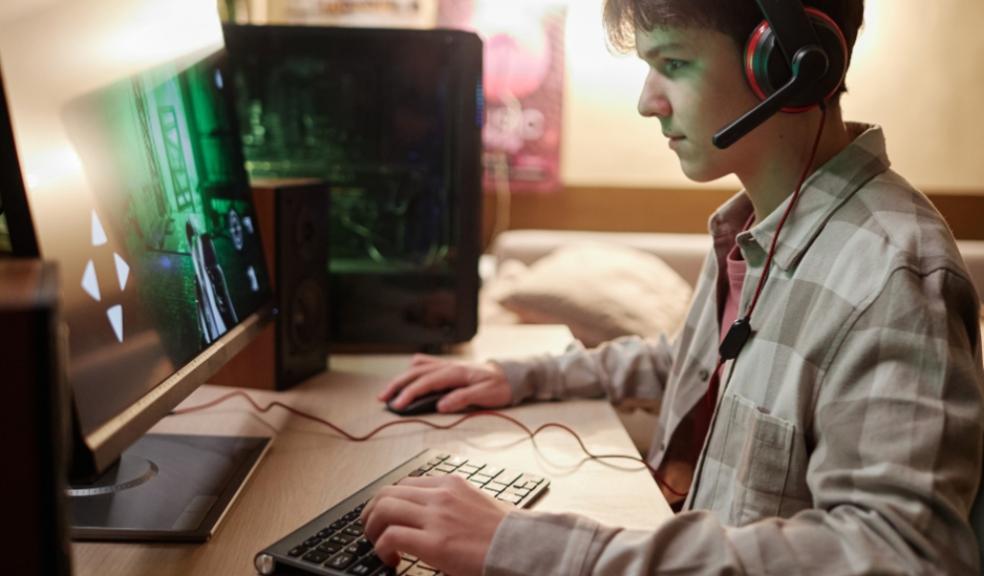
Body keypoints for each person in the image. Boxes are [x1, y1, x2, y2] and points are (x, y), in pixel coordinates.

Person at [361, 0, 984, 573]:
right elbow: (700, 362)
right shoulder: (757, 225)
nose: (647, 101)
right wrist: (523, 377)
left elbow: (906, 555)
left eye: (674, 63)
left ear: (786, 67)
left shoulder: (893, 278)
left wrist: (531, 547)